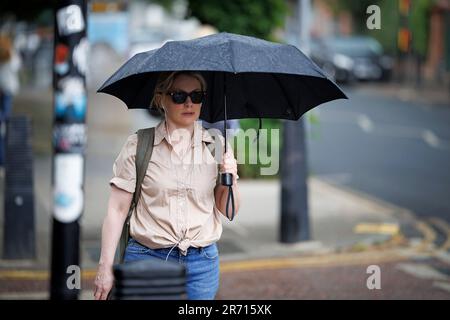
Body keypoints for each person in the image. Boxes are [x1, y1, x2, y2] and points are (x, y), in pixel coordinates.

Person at [94, 71, 241, 300]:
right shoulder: (139, 145)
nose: (189, 103)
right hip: (148, 259)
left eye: (197, 95)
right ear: (161, 98)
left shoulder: (216, 146)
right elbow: (116, 210)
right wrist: (105, 267)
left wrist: (229, 176)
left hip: (202, 265)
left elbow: (229, 211)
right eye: (179, 96)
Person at [0, 34, 21, 167]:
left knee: (5, 121)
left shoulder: (10, 55)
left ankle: (4, 159)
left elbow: (15, 66)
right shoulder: (11, 55)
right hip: (7, 90)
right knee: (5, 121)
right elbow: (17, 66)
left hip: (5, 90)